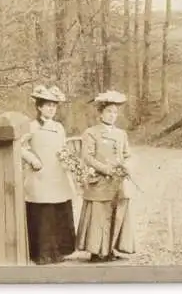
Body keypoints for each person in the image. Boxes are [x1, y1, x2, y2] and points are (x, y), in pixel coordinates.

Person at [76, 90, 136, 263]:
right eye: (109, 111)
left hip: (117, 182)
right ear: (100, 113)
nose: (112, 115)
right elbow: (87, 157)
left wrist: (126, 166)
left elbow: (127, 154)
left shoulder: (121, 134)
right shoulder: (91, 133)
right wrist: (106, 169)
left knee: (115, 213)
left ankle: (110, 249)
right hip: (100, 181)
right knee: (99, 215)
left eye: (115, 112)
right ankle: (96, 251)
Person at [20, 85, 77, 265]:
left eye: (54, 106)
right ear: (39, 107)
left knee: (57, 212)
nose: (51, 109)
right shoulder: (31, 126)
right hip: (40, 175)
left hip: (57, 175)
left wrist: (68, 160)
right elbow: (19, 147)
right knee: (43, 214)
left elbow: (63, 148)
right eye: (48, 105)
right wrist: (32, 159)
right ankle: (42, 254)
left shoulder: (59, 127)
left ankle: (59, 251)